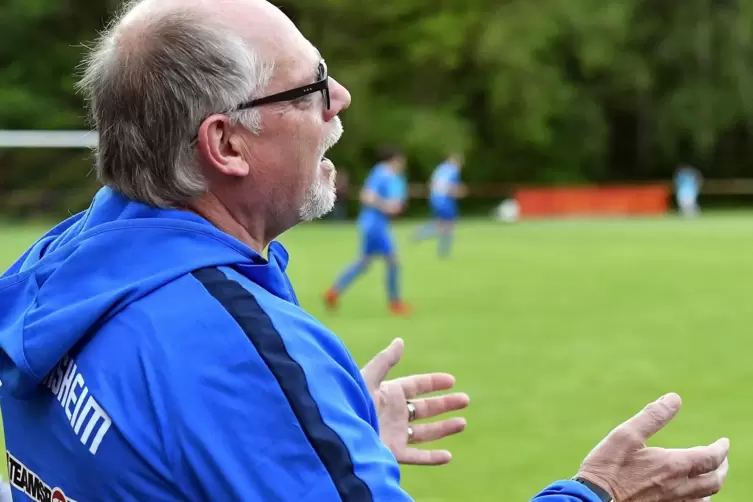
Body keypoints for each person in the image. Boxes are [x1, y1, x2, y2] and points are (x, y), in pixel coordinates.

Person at [0, 1, 730, 501]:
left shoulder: (64, 265)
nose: (340, 97)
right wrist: (596, 491)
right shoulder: (232, 359)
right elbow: (217, 394)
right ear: (225, 144)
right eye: (311, 86)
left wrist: (323, 442)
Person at [323, 147, 411, 315]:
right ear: (395, 159)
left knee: (363, 263)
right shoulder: (383, 173)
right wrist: (386, 206)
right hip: (375, 225)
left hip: (372, 224)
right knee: (394, 261)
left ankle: (333, 292)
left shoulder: (382, 174)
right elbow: (367, 196)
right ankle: (395, 304)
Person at [413, 152, 467, 258]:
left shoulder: (440, 168)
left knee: (443, 223)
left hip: (435, 198)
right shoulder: (453, 170)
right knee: (448, 224)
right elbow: (450, 187)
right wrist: (459, 191)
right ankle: (424, 235)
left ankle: (424, 234)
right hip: (445, 200)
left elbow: (432, 184)